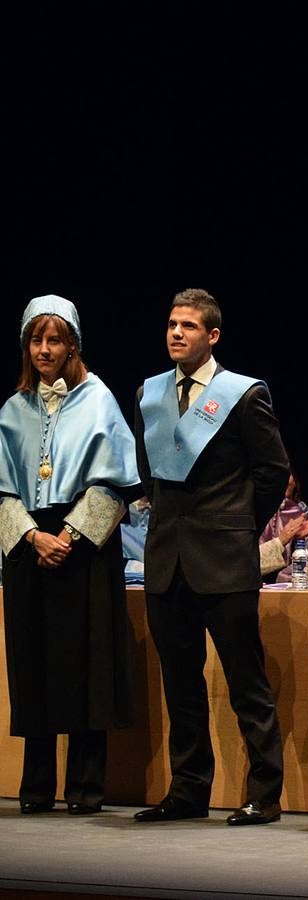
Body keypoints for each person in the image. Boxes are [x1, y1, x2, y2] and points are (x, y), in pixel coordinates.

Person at [131, 288, 289, 826]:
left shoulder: (243, 394)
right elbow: (147, 469)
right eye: (172, 324)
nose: (177, 333)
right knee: (181, 683)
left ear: (212, 335)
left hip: (224, 558)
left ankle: (263, 793)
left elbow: (272, 471)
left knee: (247, 681)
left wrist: (237, 522)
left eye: (189, 326)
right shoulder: (149, 394)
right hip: (167, 558)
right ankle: (188, 789)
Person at [0, 295, 140, 815]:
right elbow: (2, 491)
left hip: (83, 548)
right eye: (36, 339)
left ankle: (85, 786)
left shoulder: (98, 399)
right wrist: (34, 537)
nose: (44, 349)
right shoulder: (12, 410)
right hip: (28, 547)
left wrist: (70, 537)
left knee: (88, 663)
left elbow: (115, 482)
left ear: (72, 345)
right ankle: (36, 786)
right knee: (33, 662)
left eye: (54, 339)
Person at [257, 471, 308, 580]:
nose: (285, 480)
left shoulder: (301, 513)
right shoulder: (251, 513)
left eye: (288, 474)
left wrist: (299, 541)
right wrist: (281, 540)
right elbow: (240, 563)